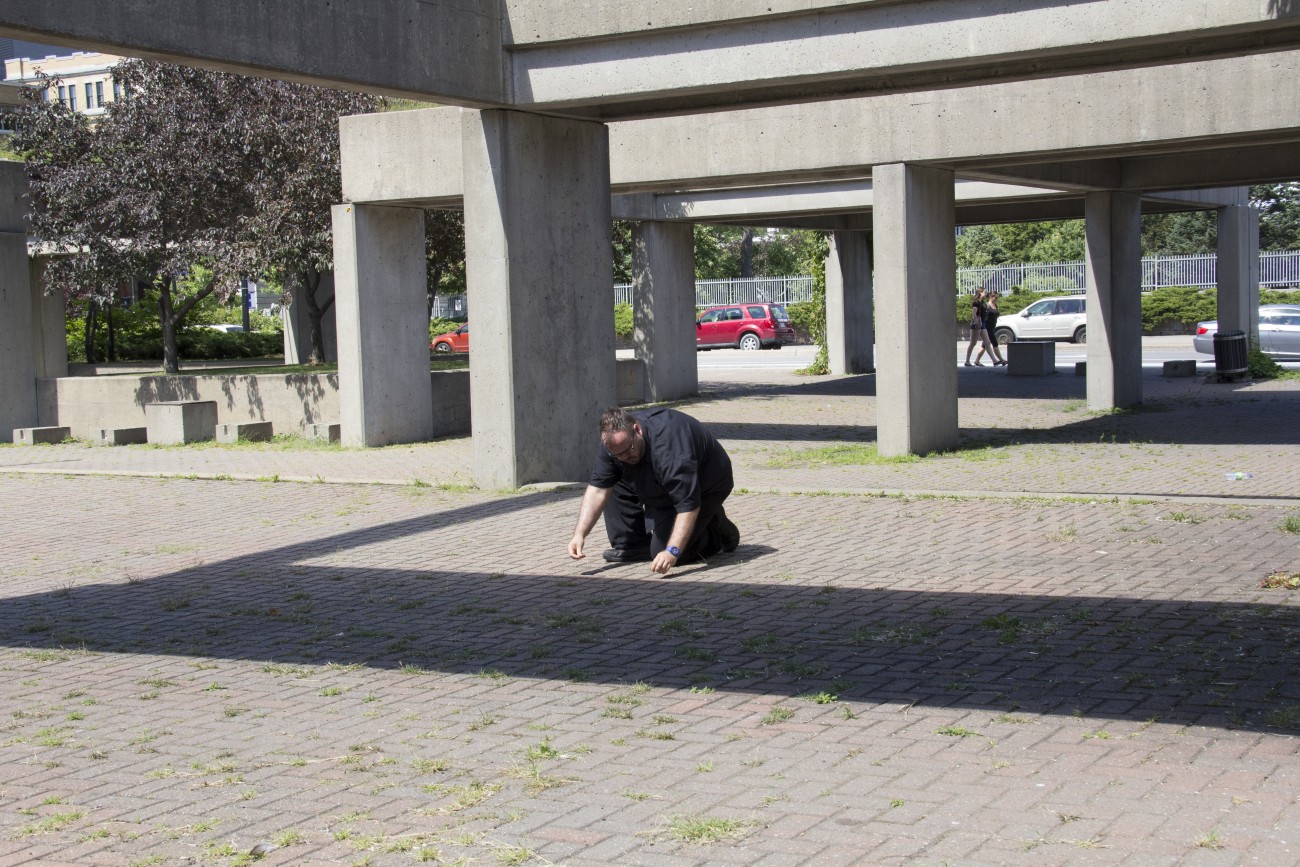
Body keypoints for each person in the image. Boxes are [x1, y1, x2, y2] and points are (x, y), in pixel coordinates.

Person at [568, 406, 740, 576]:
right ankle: (635, 545)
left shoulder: (670, 449)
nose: (624, 457)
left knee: (674, 553)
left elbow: (687, 504)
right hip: (662, 479)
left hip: (706, 485)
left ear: (637, 430)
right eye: (617, 455)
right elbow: (598, 489)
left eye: (628, 450)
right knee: (613, 477)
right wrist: (579, 535)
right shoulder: (614, 444)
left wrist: (672, 552)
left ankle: (715, 528)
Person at [964, 290, 996, 366]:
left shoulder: (982, 302)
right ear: (980, 293)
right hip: (977, 324)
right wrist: (976, 322)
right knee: (973, 343)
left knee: (987, 342)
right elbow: (974, 313)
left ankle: (995, 361)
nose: (986, 293)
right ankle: (967, 361)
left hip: (982, 324)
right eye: (984, 292)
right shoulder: (976, 302)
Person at [974, 290, 1007, 366]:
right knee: (995, 343)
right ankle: (1001, 360)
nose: (996, 298)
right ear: (990, 297)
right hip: (987, 327)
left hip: (992, 327)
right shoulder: (987, 305)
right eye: (994, 297)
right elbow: (983, 316)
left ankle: (976, 361)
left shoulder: (995, 305)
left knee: (984, 345)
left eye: (997, 297)